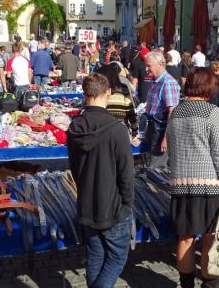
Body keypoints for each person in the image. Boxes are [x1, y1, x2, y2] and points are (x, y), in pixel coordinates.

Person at [67, 73, 135, 288]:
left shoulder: (74, 127)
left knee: (96, 254)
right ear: (108, 93)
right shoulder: (116, 129)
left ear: (85, 95)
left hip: (87, 203)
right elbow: (126, 173)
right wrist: (127, 204)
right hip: (113, 207)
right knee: (116, 258)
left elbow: (75, 169)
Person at [167, 68, 219, 288]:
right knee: (209, 239)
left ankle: (186, 285)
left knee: (184, 238)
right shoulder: (212, 112)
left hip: (180, 184)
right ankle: (209, 285)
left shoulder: (176, 112)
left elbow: (172, 148)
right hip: (208, 187)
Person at [144, 51, 180, 168]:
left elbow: (173, 112)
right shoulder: (156, 81)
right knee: (151, 165)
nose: (146, 69)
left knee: (157, 168)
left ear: (160, 64)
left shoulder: (167, 82)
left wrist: (166, 137)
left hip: (160, 131)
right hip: (154, 128)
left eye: (149, 65)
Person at [96, 63, 138, 135]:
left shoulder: (99, 90)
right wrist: (134, 129)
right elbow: (130, 110)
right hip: (121, 129)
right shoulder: (123, 88)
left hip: (102, 130)